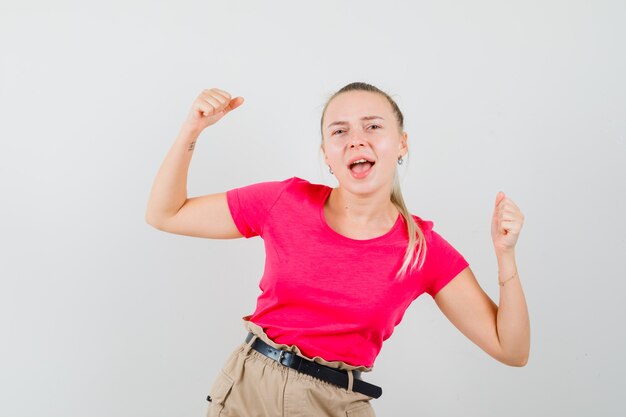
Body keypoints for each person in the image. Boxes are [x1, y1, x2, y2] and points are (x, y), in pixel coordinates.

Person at [145, 82, 530, 417]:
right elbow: (166, 214)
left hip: (334, 404)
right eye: (339, 131)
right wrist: (191, 130)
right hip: (247, 390)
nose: (356, 139)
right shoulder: (284, 201)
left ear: (402, 144)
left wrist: (505, 256)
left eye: (373, 127)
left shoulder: (422, 250)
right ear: (328, 154)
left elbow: (511, 349)